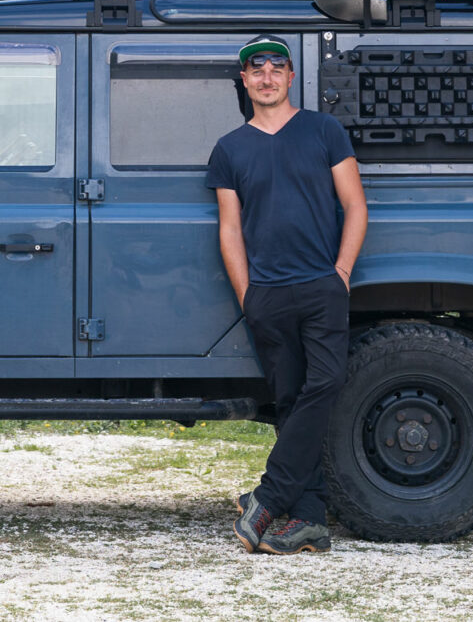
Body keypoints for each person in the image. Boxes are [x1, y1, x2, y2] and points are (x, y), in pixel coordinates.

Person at [207, 34, 367, 555]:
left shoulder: (323, 130)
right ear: (245, 81)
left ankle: (268, 495)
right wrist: (248, 294)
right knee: (293, 400)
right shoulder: (230, 148)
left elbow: (355, 205)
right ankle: (311, 520)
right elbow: (229, 230)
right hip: (268, 295)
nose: (268, 76)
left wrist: (340, 272)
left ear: (292, 77)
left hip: (321, 286)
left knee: (326, 383)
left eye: (277, 67)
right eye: (257, 69)